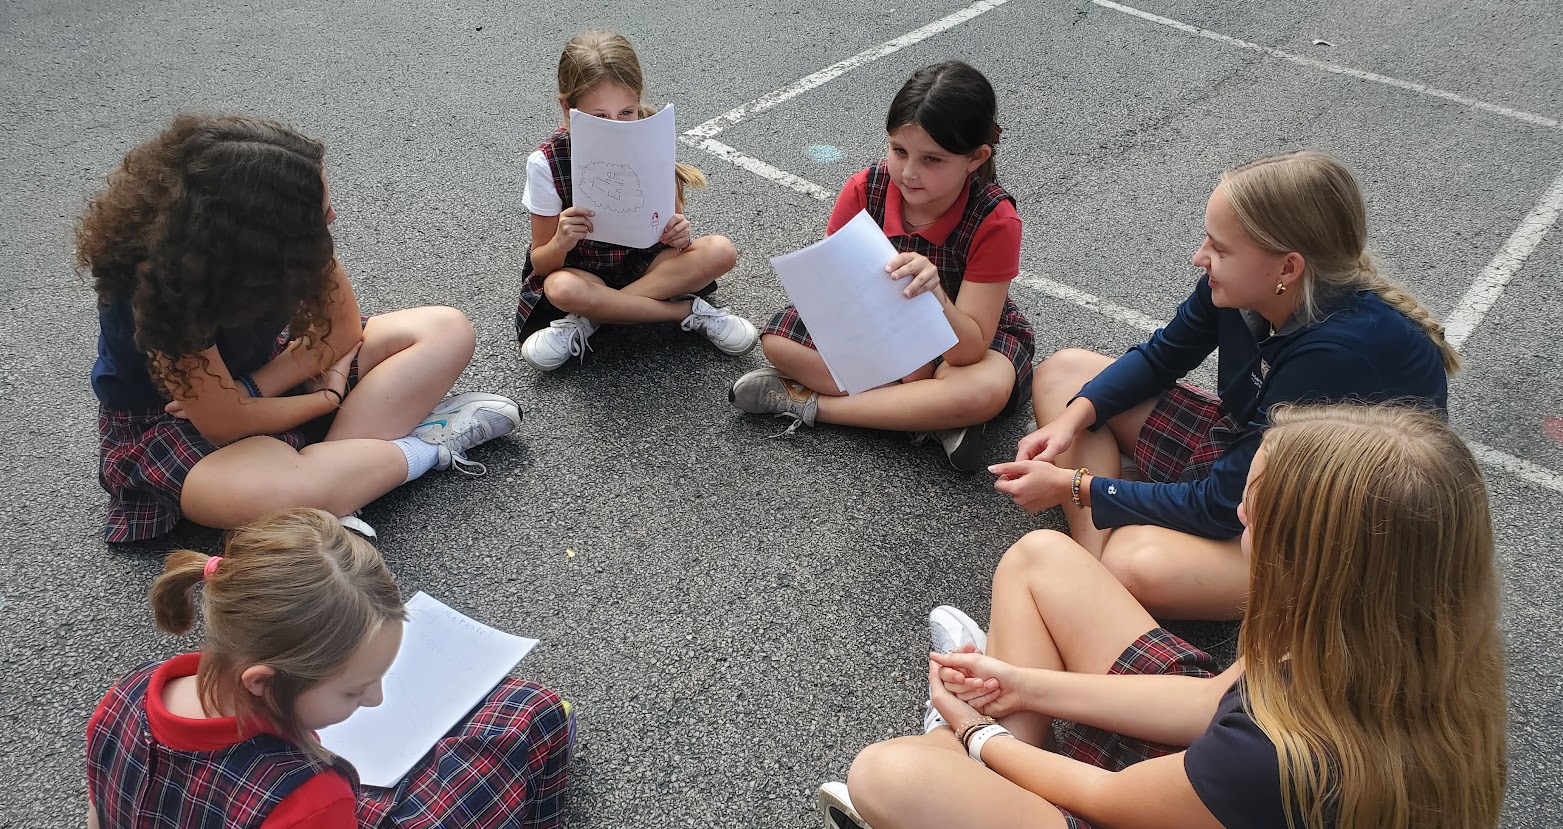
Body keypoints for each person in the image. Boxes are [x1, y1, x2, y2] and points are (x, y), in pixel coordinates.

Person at [818, 403, 1507, 829]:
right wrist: (1022, 683)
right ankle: (982, 779)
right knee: (1040, 559)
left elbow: (1106, 796)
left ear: (1312, 562)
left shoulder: (1278, 753)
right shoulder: (1393, 639)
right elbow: (1210, 702)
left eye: (1250, 511)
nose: (1236, 515)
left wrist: (975, 731)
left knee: (889, 775)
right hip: (1212, 802)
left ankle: (961, 786)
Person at [991, 151, 1456, 618]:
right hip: (1251, 452)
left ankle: (1098, 576)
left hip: (1321, 531)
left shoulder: (1335, 357)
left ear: (1287, 268)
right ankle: (1094, 568)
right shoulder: (1248, 286)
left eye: (1220, 248)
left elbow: (1221, 504)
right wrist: (1074, 422)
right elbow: (1161, 356)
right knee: (1066, 377)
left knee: (1134, 562)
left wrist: (1076, 486)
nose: (1200, 257)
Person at [79, 114, 521, 544]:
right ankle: (417, 452)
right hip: (174, 421)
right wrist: (324, 396)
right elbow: (224, 425)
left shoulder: (279, 242)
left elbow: (342, 331)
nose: (334, 217)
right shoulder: (159, 292)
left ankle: (338, 484)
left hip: (271, 374)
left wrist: (255, 389)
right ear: (258, 242)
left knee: (446, 329)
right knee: (279, 494)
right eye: (322, 211)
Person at [85, 508, 573, 829]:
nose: (377, 699)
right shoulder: (306, 800)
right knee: (530, 716)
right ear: (263, 680)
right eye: (354, 691)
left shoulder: (125, 698)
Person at [728, 60, 1032, 472]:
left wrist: (937, 295)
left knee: (984, 389)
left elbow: (969, 350)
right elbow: (833, 294)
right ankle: (931, 416)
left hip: (957, 339)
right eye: (899, 150)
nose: (909, 172)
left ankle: (812, 404)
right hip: (873, 325)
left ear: (976, 158)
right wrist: (906, 368)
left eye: (933, 160)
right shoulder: (863, 189)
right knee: (778, 342)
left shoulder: (995, 220)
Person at [516, 29, 755, 370]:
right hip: (586, 273)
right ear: (567, 109)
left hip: (647, 265)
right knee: (562, 288)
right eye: (599, 117)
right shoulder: (546, 163)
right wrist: (561, 241)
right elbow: (542, 264)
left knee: (721, 251)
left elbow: (675, 238)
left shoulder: (652, 140)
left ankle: (592, 317)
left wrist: (679, 235)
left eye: (626, 112)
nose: (616, 126)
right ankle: (687, 312)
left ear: (637, 102)